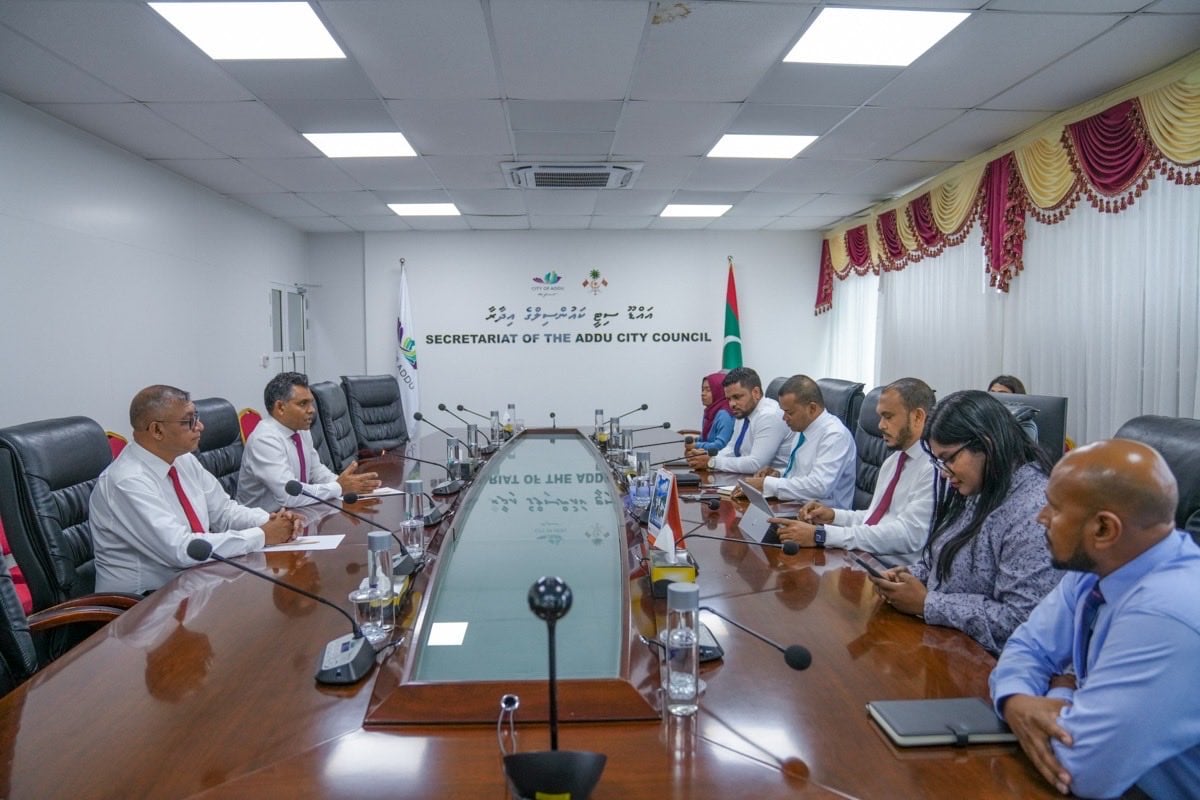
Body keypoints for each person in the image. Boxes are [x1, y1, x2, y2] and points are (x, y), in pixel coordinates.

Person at [990, 439, 1200, 799]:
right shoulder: (1101, 566)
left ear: (1104, 529)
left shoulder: (1166, 614)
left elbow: (1081, 770)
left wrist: (1061, 689)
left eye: (1054, 508)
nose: (1040, 517)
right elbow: (1027, 646)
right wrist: (1016, 700)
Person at [869, 390, 1062, 655]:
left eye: (950, 458)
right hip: (949, 648)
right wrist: (911, 576)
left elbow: (1021, 621)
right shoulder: (981, 485)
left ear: (986, 444)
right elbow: (946, 557)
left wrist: (928, 604)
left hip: (992, 667)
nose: (944, 473)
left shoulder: (1034, 513)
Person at [91, 385, 301, 595]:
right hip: (143, 602)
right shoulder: (127, 481)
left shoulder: (183, 460)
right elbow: (181, 550)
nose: (200, 426)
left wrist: (272, 521)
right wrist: (262, 535)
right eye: (188, 421)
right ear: (157, 430)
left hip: (193, 585)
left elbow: (225, 512)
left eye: (196, 417)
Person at [770, 377, 936, 561]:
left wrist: (822, 535)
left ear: (917, 417)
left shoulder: (933, 468)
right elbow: (875, 518)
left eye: (888, 417)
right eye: (881, 417)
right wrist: (833, 516)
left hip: (890, 568)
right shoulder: (894, 461)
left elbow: (908, 535)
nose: (880, 425)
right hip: (862, 555)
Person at [237, 372, 380, 512]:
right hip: (264, 522)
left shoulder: (300, 430)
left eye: (311, 403)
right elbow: (290, 496)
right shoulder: (264, 440)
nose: (312, 410)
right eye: (303, 404)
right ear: (280, 407)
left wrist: (348, 483)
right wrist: (339, 487)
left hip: (297, 513)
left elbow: (315, 472)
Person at [736, 374, 855, 508]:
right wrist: (778, 474)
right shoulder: (803, 428)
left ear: (812, 408)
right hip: (794, 506)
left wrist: (765, 484)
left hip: (820, 516)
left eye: (790, 413)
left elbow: (819, 486)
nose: (784, 418)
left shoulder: (834, 435)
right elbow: (801, 475)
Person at [685, 367, 791, 475]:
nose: (732, 404)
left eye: (737, 397)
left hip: (776, 481)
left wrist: (713, 462)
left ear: (756, 392)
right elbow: (732, 449)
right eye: (729, 399)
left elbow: (756, 464)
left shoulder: (769, 416)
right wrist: (707, 457)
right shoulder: (744, 411)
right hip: (748, 477)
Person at [692, 372, 734, 453]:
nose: (703, 394)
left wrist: (695, 445)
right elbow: (704, 439)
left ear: (719, 391)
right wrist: (693, 442)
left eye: (708, 390)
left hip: (719, 458)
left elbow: (720, 445)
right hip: (705, 455)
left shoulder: (724, 414)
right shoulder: (709, 412)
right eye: (702, 390)